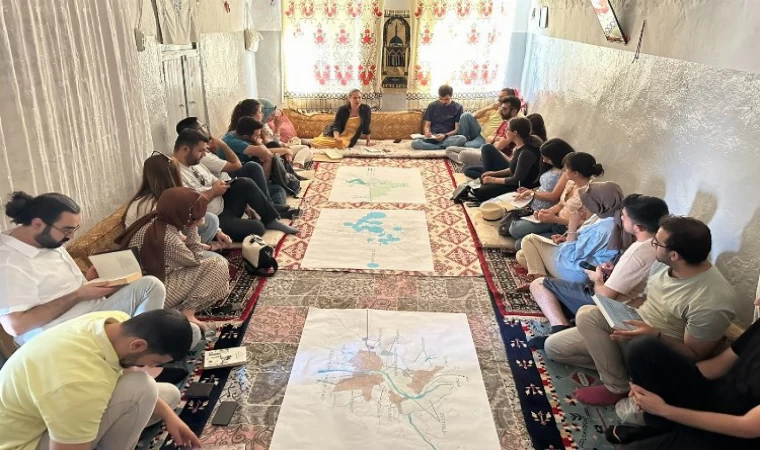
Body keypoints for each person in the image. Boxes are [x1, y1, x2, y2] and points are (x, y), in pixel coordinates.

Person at [545, 216, 739, 407]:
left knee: (588, 315)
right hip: (635, 326)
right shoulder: (664, 264)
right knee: (554, 348)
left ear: (674, 255)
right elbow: (647, 299)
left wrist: (655, 335)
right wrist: (618, 308)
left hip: (656, 349)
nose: (651, 245)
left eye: (656, 243)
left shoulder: (712, 300)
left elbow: (692, 356)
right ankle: (628, 374)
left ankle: (617, 386)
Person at [0, 309, 201, 450]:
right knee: (143, 386)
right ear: (137, 346)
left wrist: (170, 416)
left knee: (169, 395)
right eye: (155, 361)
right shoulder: (81, 382)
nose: (151, 367)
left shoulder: (114, 322)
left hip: (47, 415)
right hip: (24, 444)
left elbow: (124, 374)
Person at [0, 192, 170, 346]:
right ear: (37, 224)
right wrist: (78, 295)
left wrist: (89, 282)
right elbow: (16, 326)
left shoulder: (46, 239)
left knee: (159, 299)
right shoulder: (9, 263)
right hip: (64, 332)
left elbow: (56, 288)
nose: (71, 236)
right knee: (151, 289)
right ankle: (139, 352)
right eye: (67, 230)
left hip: (92, 312)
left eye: (74, 229)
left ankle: (138, 349)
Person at [527, 194, 669, 349]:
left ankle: (559, 327)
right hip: (627, 303)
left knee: (538, 285)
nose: (621, 218)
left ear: (638, 227)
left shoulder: (637, 250)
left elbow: (604, 296)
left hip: (613, 310)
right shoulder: (659, 245)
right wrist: (613, 272)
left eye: (624, 216)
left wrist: (597, 279)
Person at [605, 311, 760, 449]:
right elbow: (718, 366)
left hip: (736, 431)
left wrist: (664, 410)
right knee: (642, 348)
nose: (756, 302)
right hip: (718, 396)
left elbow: (747, 427)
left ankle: (674, 428)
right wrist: (654, 378)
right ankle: (660, 428)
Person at [117, 187, 230, 331]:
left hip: (147, 286)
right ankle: (188, 313)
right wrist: (193, 227)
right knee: (218, 265)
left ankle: (175, 311)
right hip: (152, 294)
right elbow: (196, 259)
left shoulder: (157, 220)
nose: (201, 219)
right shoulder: (167, 237)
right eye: (195, 215)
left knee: (221, 285)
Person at [173, 129, 297, 241]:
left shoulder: (196, 163)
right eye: (200, 151)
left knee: (244, 183)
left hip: (224, 203)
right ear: (185, 149)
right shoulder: (174, 173)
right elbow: (191, 207)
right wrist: (214, 192)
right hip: (214, 218)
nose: (204, 155)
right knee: (258, 228)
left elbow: (214, 181)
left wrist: (246, 201)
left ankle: (271, 220)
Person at [516, 181, 625, 285]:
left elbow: (570, 254)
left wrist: (572, 225)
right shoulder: (605, 217)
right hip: (577, 266)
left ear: (599, 203)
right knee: (521, 255)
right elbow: (587, 244)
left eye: (589, 202)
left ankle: (542, 284)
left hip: (575, 269)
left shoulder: (604, 229)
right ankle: (554, 282)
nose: (585, 205)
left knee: (529, 239)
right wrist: (566, 239)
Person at [123, 152, 232, 253]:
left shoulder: (162, 199)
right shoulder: (159, 205)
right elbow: (174, 239)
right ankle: (194, 257)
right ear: (172, 176)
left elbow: (191, 216)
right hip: (154, 254)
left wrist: (218, 232)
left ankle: (196, 254)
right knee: (217, 261)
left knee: (210, 220)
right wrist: (211, 247)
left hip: (164, 243)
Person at [176, 117, 291, 208]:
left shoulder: (205, 149)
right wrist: (223, 145)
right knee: (253, 167)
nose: (207, 129)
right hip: (225, 188)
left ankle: (272, 207)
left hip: (226, 181)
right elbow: (237, 165)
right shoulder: (202, 156)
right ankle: (269, 206)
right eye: (203, 128)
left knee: (278, 189)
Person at [510, 151, 603, 248]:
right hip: (555, 221)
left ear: (576, 173)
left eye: (566, 169)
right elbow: (561, 204)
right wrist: (546, 212)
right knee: (515, 229)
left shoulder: (591, 194)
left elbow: (586, 225)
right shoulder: (571, 183)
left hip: (567, 230)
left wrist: (555, 219)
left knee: (520, 244)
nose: (563, 171)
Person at [506, 139, 574, 249]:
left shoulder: (567, 174)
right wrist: (529, 191)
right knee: (509, 223)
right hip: (538, 209)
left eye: (547, 158)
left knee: (516, 235)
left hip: (550, 214)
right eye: (543, 157)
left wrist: (532, 193)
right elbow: (545, 188)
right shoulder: (553, 168)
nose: (544, 160)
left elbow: (554, 197)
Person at [467, 117, 544, 202]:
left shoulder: (526, 153)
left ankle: (485, 183)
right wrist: (494, 173)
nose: (505, 131)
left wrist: (493, 180)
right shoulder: (519, 146)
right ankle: (485, 181)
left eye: (507, 129)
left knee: (480, 192)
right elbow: (512, 168)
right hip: (512, 178)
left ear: (515, 133)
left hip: (520, 186)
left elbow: (516, 180)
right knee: (469, 170)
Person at [223, 99, 294, 178]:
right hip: (240, 174)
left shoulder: (253, 129)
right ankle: (286, 179)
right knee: (269, 154)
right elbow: (263, 152)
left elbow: (267, 145)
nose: (262, 115)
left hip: (251, 166)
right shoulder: (239, 135)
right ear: (251, 115)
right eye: (260, 112)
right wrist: (286, 150)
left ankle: (289, 177)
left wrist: (285, 150)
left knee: (274, 146)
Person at [445, 95, 522, 165]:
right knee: (449, 150)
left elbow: (498, 147)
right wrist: (496, 139)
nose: (501, 110)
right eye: (502, 108)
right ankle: (469, 160)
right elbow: (489, 139)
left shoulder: (514, 126)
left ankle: (469, 161)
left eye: (504, 109)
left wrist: (494, 139)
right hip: (484, 147)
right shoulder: (505, 122)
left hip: (490, 154)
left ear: (514, 112)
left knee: (463, 154)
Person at [257, 98, 314, 168]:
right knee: (305, 149)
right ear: (264, 114)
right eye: (272, 115)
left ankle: (292, 164)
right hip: (274, 152)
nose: (274, 118)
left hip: (279, 149)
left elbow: (274, 142)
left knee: (310, 154)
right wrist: (277, 127)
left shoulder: (264, 124)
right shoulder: (259, 128)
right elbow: (273, 145)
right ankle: (295, 168)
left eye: (274, 115)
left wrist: (284, 145)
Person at [411, 84, 467, 150]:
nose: (443, 101)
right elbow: (427, 126)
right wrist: (427, 132)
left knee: (462, 139)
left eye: (446, 99)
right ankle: (441, 146)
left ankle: (436, 146)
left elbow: (456, 129)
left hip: (447, 137)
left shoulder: (458, 107)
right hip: (433, 137)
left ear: (451, 96)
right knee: (415, 143)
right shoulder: (432, 106)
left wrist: (445, 135)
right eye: (441, 99)